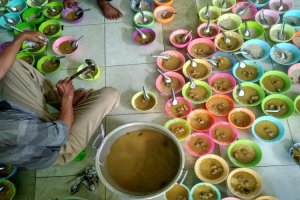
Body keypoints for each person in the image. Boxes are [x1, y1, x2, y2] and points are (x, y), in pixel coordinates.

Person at [0, 32, 120, 169]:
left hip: (18, 116)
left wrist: (20, 38)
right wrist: (67, 99)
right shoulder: (6, 130)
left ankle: (65, 105)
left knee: (11, 65)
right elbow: (59, 134)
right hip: (54, 147)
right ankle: (68, 106)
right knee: (110, 95)